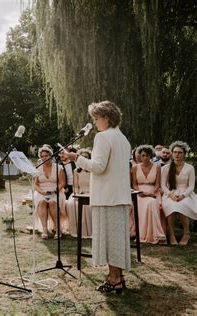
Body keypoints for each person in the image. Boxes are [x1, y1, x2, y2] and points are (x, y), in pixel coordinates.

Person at [68, 101, 132, 294]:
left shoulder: (103, 137)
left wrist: (76, 158)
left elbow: (98, 167)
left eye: (96, 119)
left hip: (106, 197)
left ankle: (114, 280)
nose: (95, 123)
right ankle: (117, 277)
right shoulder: (123, 138)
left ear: (106, 118)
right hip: (119, 196)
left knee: (110, 240)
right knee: (117, 239)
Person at [161, 141, 197, 246]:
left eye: (180, 152)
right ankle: (171, 235)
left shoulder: (190, 168)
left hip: (186, 193)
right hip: (170, 193)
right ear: (172, 153)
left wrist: (183, 196)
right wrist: (170, 195)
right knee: (170, 205)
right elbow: (163, 185)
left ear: (184, 154)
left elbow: (191, 186)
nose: (177, 154)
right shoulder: (165, 168)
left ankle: (186, 233)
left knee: (182, 205)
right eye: (175, 152)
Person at [131, 145, 166, 244]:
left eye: (147, 155)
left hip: (153, 192)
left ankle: (157, 234)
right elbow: (134, 184)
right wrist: (140, 192)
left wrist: (151, 193)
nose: (145, 157)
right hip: (139, 193)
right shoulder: (135, 167)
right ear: (140, 156)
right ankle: (141, 233)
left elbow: (157, 184)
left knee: (153, 203)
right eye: (143, 155)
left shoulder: (157, 167)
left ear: (151, 156)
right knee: (141, 204)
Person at [34, 145, 66, 239]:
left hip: (56, 191)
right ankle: (44, 229)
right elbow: (35, 185)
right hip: (42, 192)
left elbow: (62, 183)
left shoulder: (59, 168)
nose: (44, 158)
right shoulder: (38, 169)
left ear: (51, 156)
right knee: (42, 202)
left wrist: (55, 190)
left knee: (52, 203)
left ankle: (57, 228)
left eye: (46, 155)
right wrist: (42, 192)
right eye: (42, 156)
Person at [66, 148, 92, 238]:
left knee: (88, 205)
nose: (85, 158)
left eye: (87, 157)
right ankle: (78, 230)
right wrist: (77, 194)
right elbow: (75, 186)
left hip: (91, 193)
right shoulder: (76, 171)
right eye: (83, 157)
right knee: (72, 204)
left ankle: (90, 230)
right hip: (80, 192)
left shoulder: (93, 171)